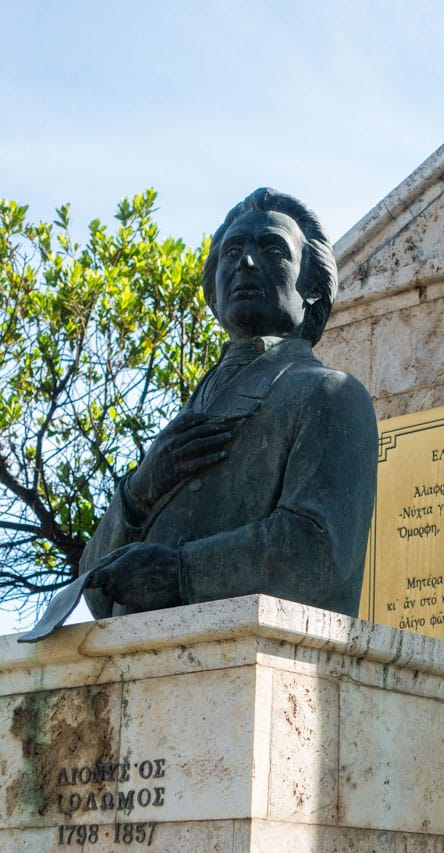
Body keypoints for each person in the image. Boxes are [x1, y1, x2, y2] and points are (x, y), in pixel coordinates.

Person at [79, 188, 378, 620]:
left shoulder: (328, 394)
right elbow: (94, 592)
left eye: (271, 249)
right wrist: (140, 489)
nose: (246, 261)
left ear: (311, 288)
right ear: (214, 295)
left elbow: (320, 550)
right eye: (232, 251)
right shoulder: (189, 415)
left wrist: (181, 571)